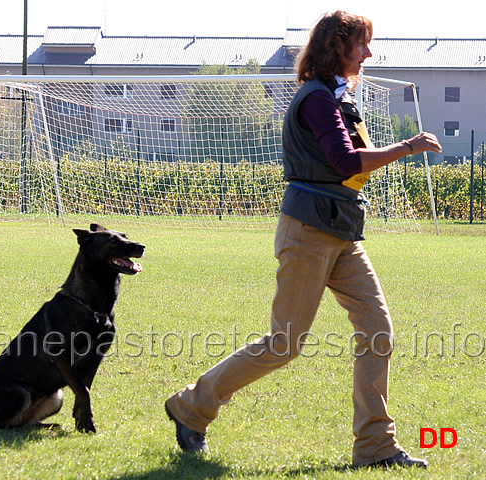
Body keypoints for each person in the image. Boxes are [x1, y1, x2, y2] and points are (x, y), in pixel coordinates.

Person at [165, 10, 442, 469]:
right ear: (338, 47)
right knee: (284, 343)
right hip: (308, 232)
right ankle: (191, 406)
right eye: (362, 44)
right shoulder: (316, 99)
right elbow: (344, 161)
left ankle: (374, 447)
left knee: (377, 331)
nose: (369, 53)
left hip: (342, 232)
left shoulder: (337, 97)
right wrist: (406, 147)